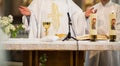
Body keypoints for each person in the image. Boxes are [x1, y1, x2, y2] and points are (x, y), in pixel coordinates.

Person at [19, 0, 86, 38]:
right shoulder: (38, 1)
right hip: (45, 40)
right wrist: (29, 16)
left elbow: (76, 16)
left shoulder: (66, 1)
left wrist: (84, 15)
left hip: (64, 40)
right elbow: (32, 18)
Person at [85, 0, 120, 66]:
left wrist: (108, 37)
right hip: (95, 46)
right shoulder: (93, 8)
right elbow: (87, 28)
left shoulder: (117, 8)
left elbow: (118, 28)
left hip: (110, 45)